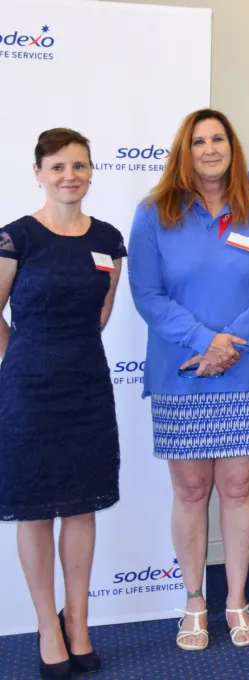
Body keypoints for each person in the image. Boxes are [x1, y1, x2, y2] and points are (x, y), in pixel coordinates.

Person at [129, 109, 249, 651]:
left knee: (239, 487)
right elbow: (148, 294)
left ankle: (236, 599)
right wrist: (206, 343)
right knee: (192, 489)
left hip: (244, 372)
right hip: (182, 372)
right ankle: (194, 600)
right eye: (199, 141)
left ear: (231, 145)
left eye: (218, 138)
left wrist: (229, 345)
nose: (210, 148)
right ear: (185, 150)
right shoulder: (155, 213)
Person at [0, 128, 124, 678]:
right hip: (28, 388)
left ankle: (78, 622)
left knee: (80, 505)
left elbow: (102, 315)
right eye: (57, 166)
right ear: (38, 173)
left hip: (87, 385)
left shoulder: (109, 238)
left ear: (92, 170)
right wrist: (22, 356)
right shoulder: (15, 238)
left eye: (79, 165)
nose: (69, 175)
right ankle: (47, 630)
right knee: (34, 511)